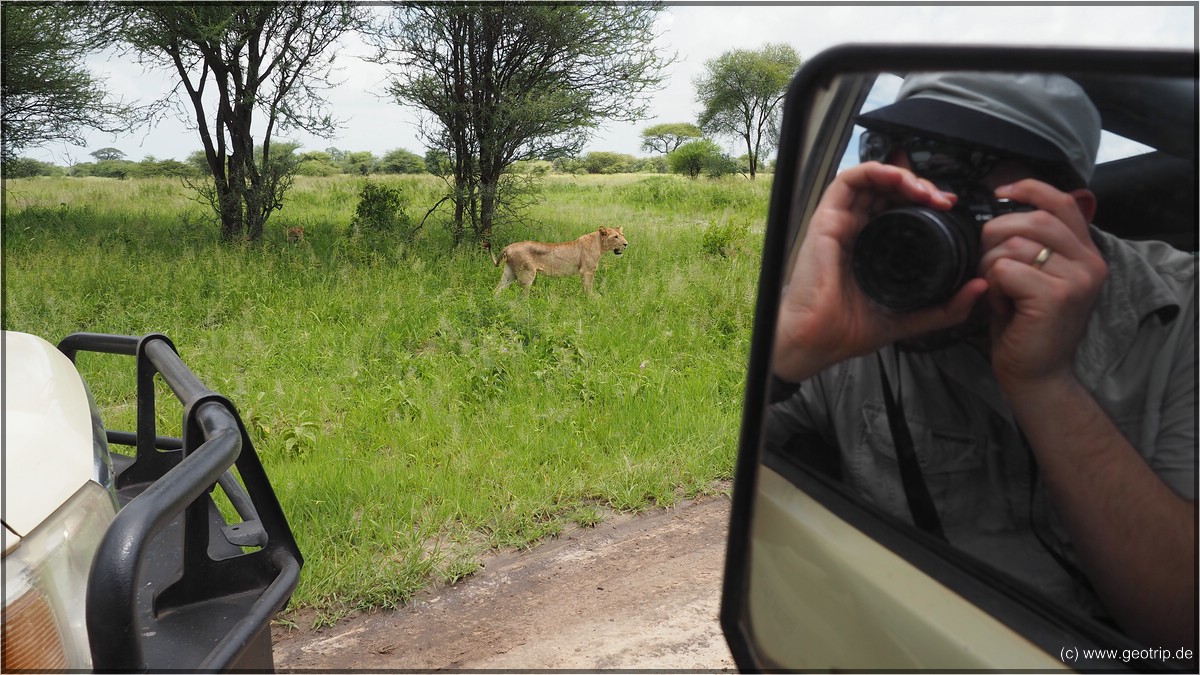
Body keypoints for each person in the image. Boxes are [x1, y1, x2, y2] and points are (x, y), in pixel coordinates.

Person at [767, 71, 1196, 650]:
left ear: (1073, 215)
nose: (920, 219)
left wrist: (1044, 383)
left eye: (961, 183)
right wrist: (792, 347)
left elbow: (1182, 629)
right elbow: (711, 480)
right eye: (899, 182)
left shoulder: (1181, 312)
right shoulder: (856, 309)